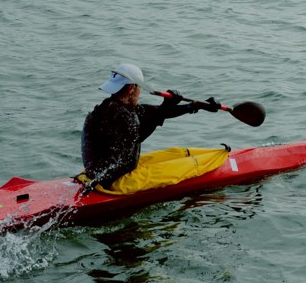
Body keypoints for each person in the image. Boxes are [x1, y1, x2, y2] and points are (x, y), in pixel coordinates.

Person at [81, 63, 220, 191]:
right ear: (131, 88)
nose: (139, 92)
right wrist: (166, 106)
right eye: (139, 87)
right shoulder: (121, 115)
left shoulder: (112, 107)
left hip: (96, 173)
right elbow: (139, 136)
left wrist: (196, 106)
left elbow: (155, 113)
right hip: (110, 181)